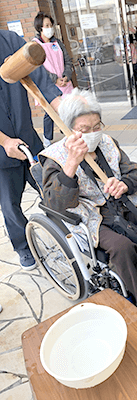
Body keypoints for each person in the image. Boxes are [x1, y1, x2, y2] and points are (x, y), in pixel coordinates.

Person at [39, 88, 137, 322]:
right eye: (84, 129)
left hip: (124, 203)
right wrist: (71, 164)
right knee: (122, 248)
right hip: (91, 215)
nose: (93, 134)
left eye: (97, 126)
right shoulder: (54, 157)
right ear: (68, 129)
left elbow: (136, 173)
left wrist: (123, 184)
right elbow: (57, 203)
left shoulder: (108, 143)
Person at [0, 29, 61, 270]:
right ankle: (24, 248)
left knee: (52, 188)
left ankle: (70, 234)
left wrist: (63, 108)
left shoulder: (10, 41)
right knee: (10, 204)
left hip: (29, 139)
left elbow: (40, 77)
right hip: (1, 151)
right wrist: (4, 141)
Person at [33, 11, 74, 148]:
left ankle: (69, 133)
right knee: (50, 113)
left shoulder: (58, 43)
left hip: (65, 82)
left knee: (68, 109)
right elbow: (37, 68)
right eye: (47, 25)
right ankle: (47, 138)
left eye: (51, 25)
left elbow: (68, 60)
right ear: (40, 28)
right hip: (49, 85)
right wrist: (55, 79)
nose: (50, 28)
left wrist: (66, 76)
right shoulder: (35, 45)